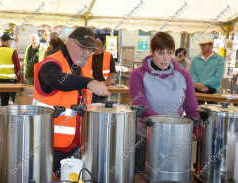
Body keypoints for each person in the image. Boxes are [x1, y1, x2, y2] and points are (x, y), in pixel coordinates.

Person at [33, 27, 110, 176]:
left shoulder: (83, 66)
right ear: (70, 43)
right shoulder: (51, 63)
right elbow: (56, 79)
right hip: (48, 147)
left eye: (91, 49)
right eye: (84, 47)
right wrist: (89, 82)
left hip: (77, 144)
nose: (88, 53)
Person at [129, 32, 199, 172]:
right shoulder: (137, 75)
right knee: (142, 176)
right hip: (145, 139)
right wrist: (172, 127)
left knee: (173, 176)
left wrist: (194, 130)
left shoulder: (184, 76)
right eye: (161, 53)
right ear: (152, 51)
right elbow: (143, 109)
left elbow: (192, 108)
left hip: (176, 140)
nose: (166, 58)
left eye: (170, 53)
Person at [190, 37, 225, 104]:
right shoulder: (195, 59)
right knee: (196, 112)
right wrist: (198, 85)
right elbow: (192, 73)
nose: (202, 47)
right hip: (197, 91)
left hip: (213, 91)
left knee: (213, 111)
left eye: (204, 45)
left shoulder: (220, 59)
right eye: (201, 45)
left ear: (211, 45)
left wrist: (203, 83)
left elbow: (218, 76)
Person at [0, 33, 21, 106]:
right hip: (11, 80)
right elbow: (17, 68)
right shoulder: (13, 52)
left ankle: (3, 117)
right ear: (8, 42)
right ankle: (17, 117)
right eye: (10, 41)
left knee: (3, 100)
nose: (11, 43)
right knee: (15, 101)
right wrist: (19, 80)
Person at [86, 39, 116, 103]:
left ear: (100, 47)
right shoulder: (89, 55)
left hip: (103, 86)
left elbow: (113, 72)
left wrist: (106, 82)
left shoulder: (108, 55)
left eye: (94, 48)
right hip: (90, 86)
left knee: (102, 106)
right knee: (90, 106)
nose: (93, 50)